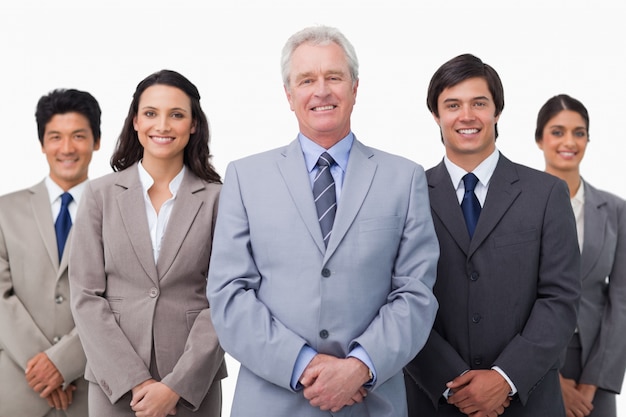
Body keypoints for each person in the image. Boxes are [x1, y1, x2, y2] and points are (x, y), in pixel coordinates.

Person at [206, 25, 439, 417]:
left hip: (370, 401)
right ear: (289, 95)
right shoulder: (246, 178)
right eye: (307, 80)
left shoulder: (404, 177)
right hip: (271, 402)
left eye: (334, 77)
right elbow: (229, 294)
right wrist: (306, 367)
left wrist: (359, 367)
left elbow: (415, 293)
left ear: (355, 88)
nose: (322, 90)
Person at [403, 54, 582, 417]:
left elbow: (560, 298)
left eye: (478, 103)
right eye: (452, 105)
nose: (466, 116)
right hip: (434, 401)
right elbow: (398, 298)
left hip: (526, 402)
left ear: (497, 111)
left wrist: (505, 377)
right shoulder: (407, 195)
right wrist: (451, 381)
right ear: (436, 116)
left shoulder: (546, 194)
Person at [69, 69, 227, 417]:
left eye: (177, 114)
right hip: (115, 384)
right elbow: (84, 296)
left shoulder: (220, 199)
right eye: (151, 113)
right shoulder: (99, 195)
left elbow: (224, 299)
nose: (163, 125)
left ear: (194, 124)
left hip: (192, 388)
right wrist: (135, 381)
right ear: (136, 122)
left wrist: (176, 386)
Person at [0, 88, 101, 416]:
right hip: (17, 389)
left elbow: (123, 297)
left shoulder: (118, 212)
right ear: (42, 144)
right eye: (55, 137)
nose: (67, 148)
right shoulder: (5, 211)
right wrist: (43, 369)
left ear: (96, 142)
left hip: (91, 391)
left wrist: (64, 363)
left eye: (79, 136)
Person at [534, 94, 626, 417]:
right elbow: (509, 298)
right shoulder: (516, 207)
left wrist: (594, 381)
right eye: (557, 131)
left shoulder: (615, 210)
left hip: (595, 360)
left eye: (579, 132)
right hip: (531, 361)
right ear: (539, 139)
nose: (569, 141)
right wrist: (551, 379)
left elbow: (622, 298)